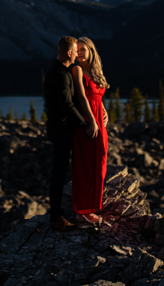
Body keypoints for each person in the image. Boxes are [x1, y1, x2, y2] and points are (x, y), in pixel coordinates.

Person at [43, 36, 89, 232]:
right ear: (69, 53)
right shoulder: (60, 74)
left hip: (62, 129)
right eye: (75, 51)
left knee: (60, 172)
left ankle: (60, 213)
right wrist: (85, 124)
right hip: (61, 130)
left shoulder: (60, 71)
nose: (78, 54)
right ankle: (56, 217)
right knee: (59, 173)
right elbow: (67, 105)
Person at [71, 36, 110, 224]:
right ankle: (82, 210)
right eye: (77, 49)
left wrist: (105, 112)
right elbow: (81, 96)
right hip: (87, 121)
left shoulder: (95, 71)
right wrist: (92, 121)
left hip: (99, 121)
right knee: (84, 164)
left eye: (83, 49)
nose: (79, 52)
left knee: (100, 160)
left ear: (91, 50)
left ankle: (93, 205)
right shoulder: (77, 69)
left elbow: (98, 97)